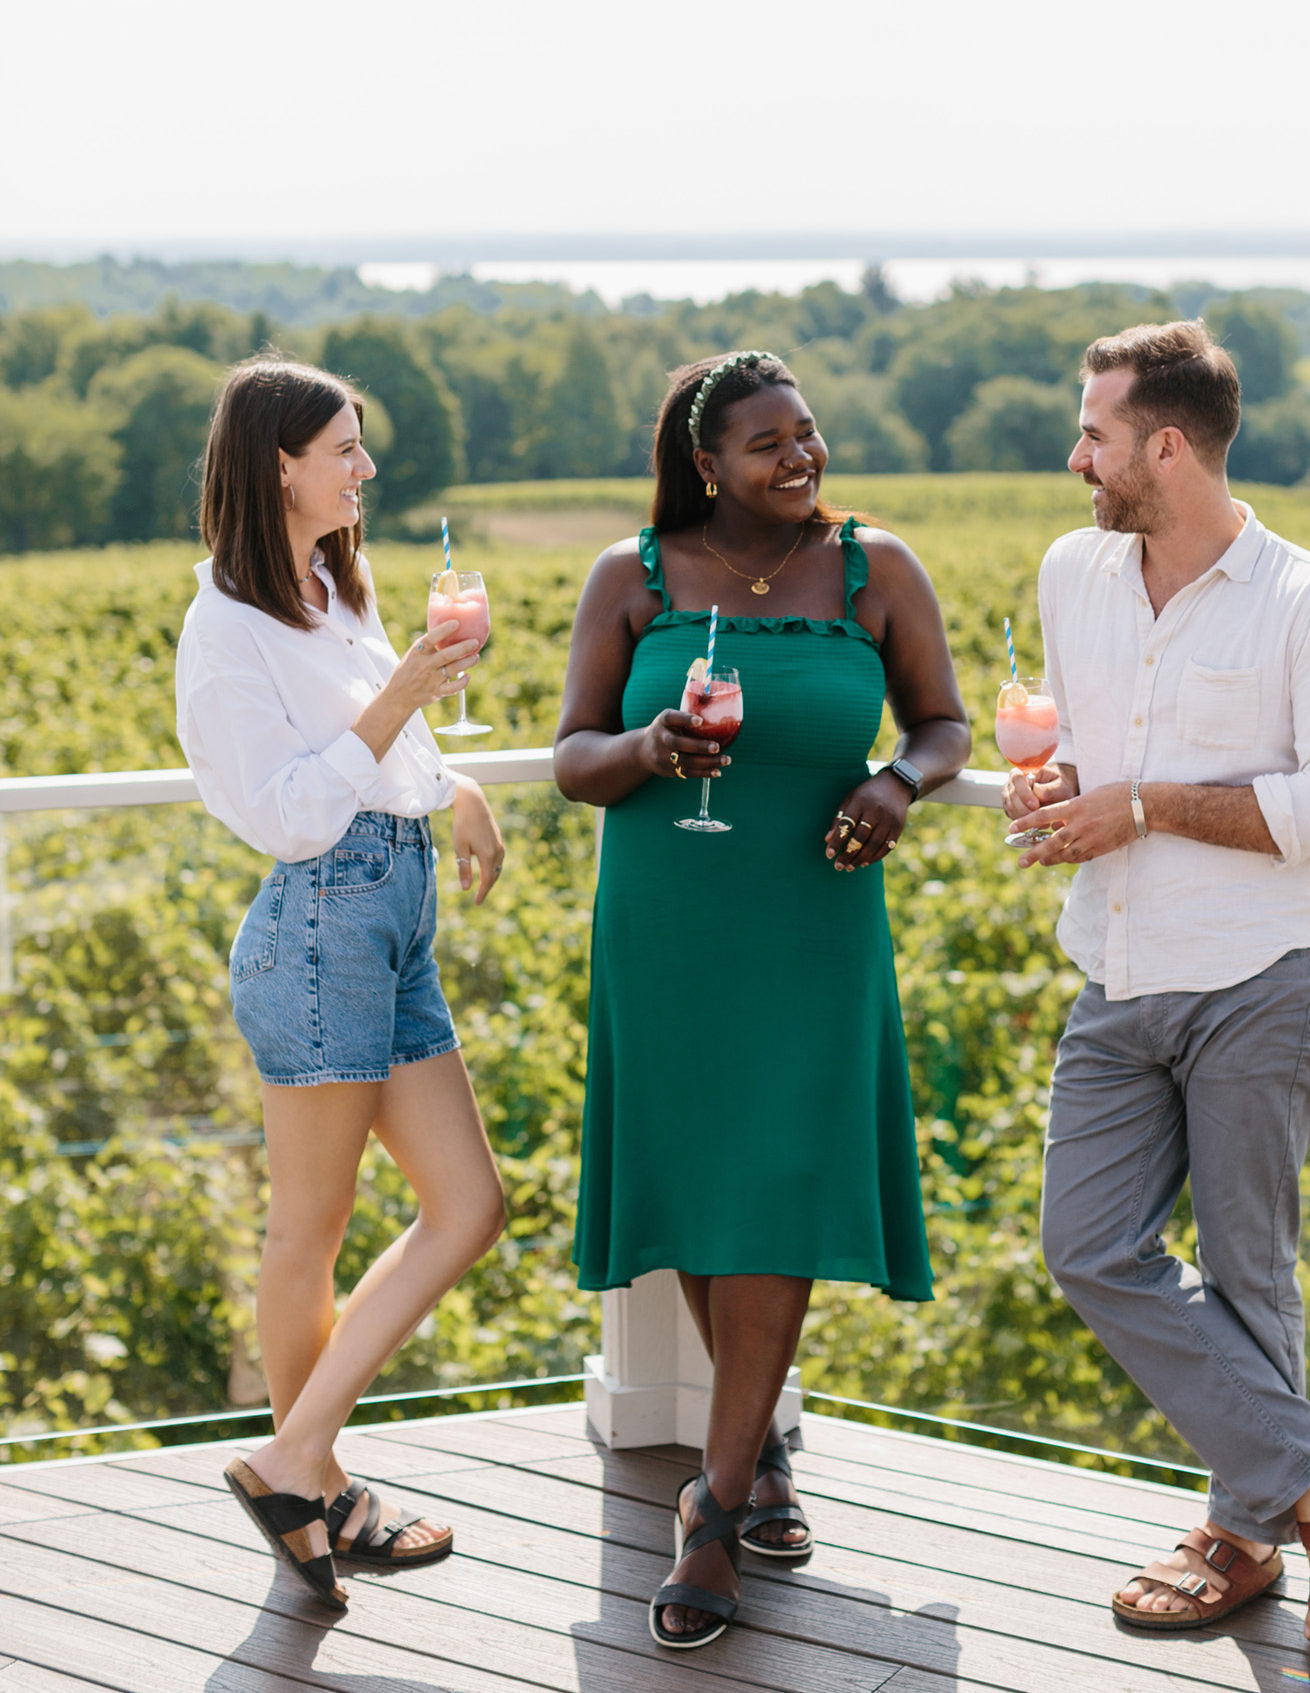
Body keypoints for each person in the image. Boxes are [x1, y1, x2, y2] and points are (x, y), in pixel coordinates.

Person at [555, 350, 970, 1649]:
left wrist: (898, 786)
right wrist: (650, 748)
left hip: (813, 920)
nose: (800, 459)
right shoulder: (630, 577)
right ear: (704, 462)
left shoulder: (875, 568)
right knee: (695, 1190)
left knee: (781, 1187)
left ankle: (714, 1507)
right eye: (767, 444)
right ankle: (761, 1456)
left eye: (809, 434)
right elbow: (575, 757)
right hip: (669, 926)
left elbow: (944, 725)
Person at [1004, 320, 1310, 1650]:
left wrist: (1149, 806)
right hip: (1115, 968)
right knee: (1087, 1242)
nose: (1078, 457)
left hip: (1261, 975)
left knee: (1248, 1264)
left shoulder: (1309, 599)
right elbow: (1080, 743)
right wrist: (1057, 791)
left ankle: (1241, 1534)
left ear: (1165, 447)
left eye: (1097, 434)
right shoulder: (1077, 570)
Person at [175, 358, 508, 1613]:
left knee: (469, 1203)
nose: (366, 470)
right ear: (277, 466)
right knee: (306, 1234)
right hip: (320, 920)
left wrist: (449, 780)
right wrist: (402, 701)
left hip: (390, 909)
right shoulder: (225, 624)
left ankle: (298, 1462)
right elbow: (288, 814)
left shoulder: (331, 582)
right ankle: (309, 1479)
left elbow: (368, 757)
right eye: (345, 450)